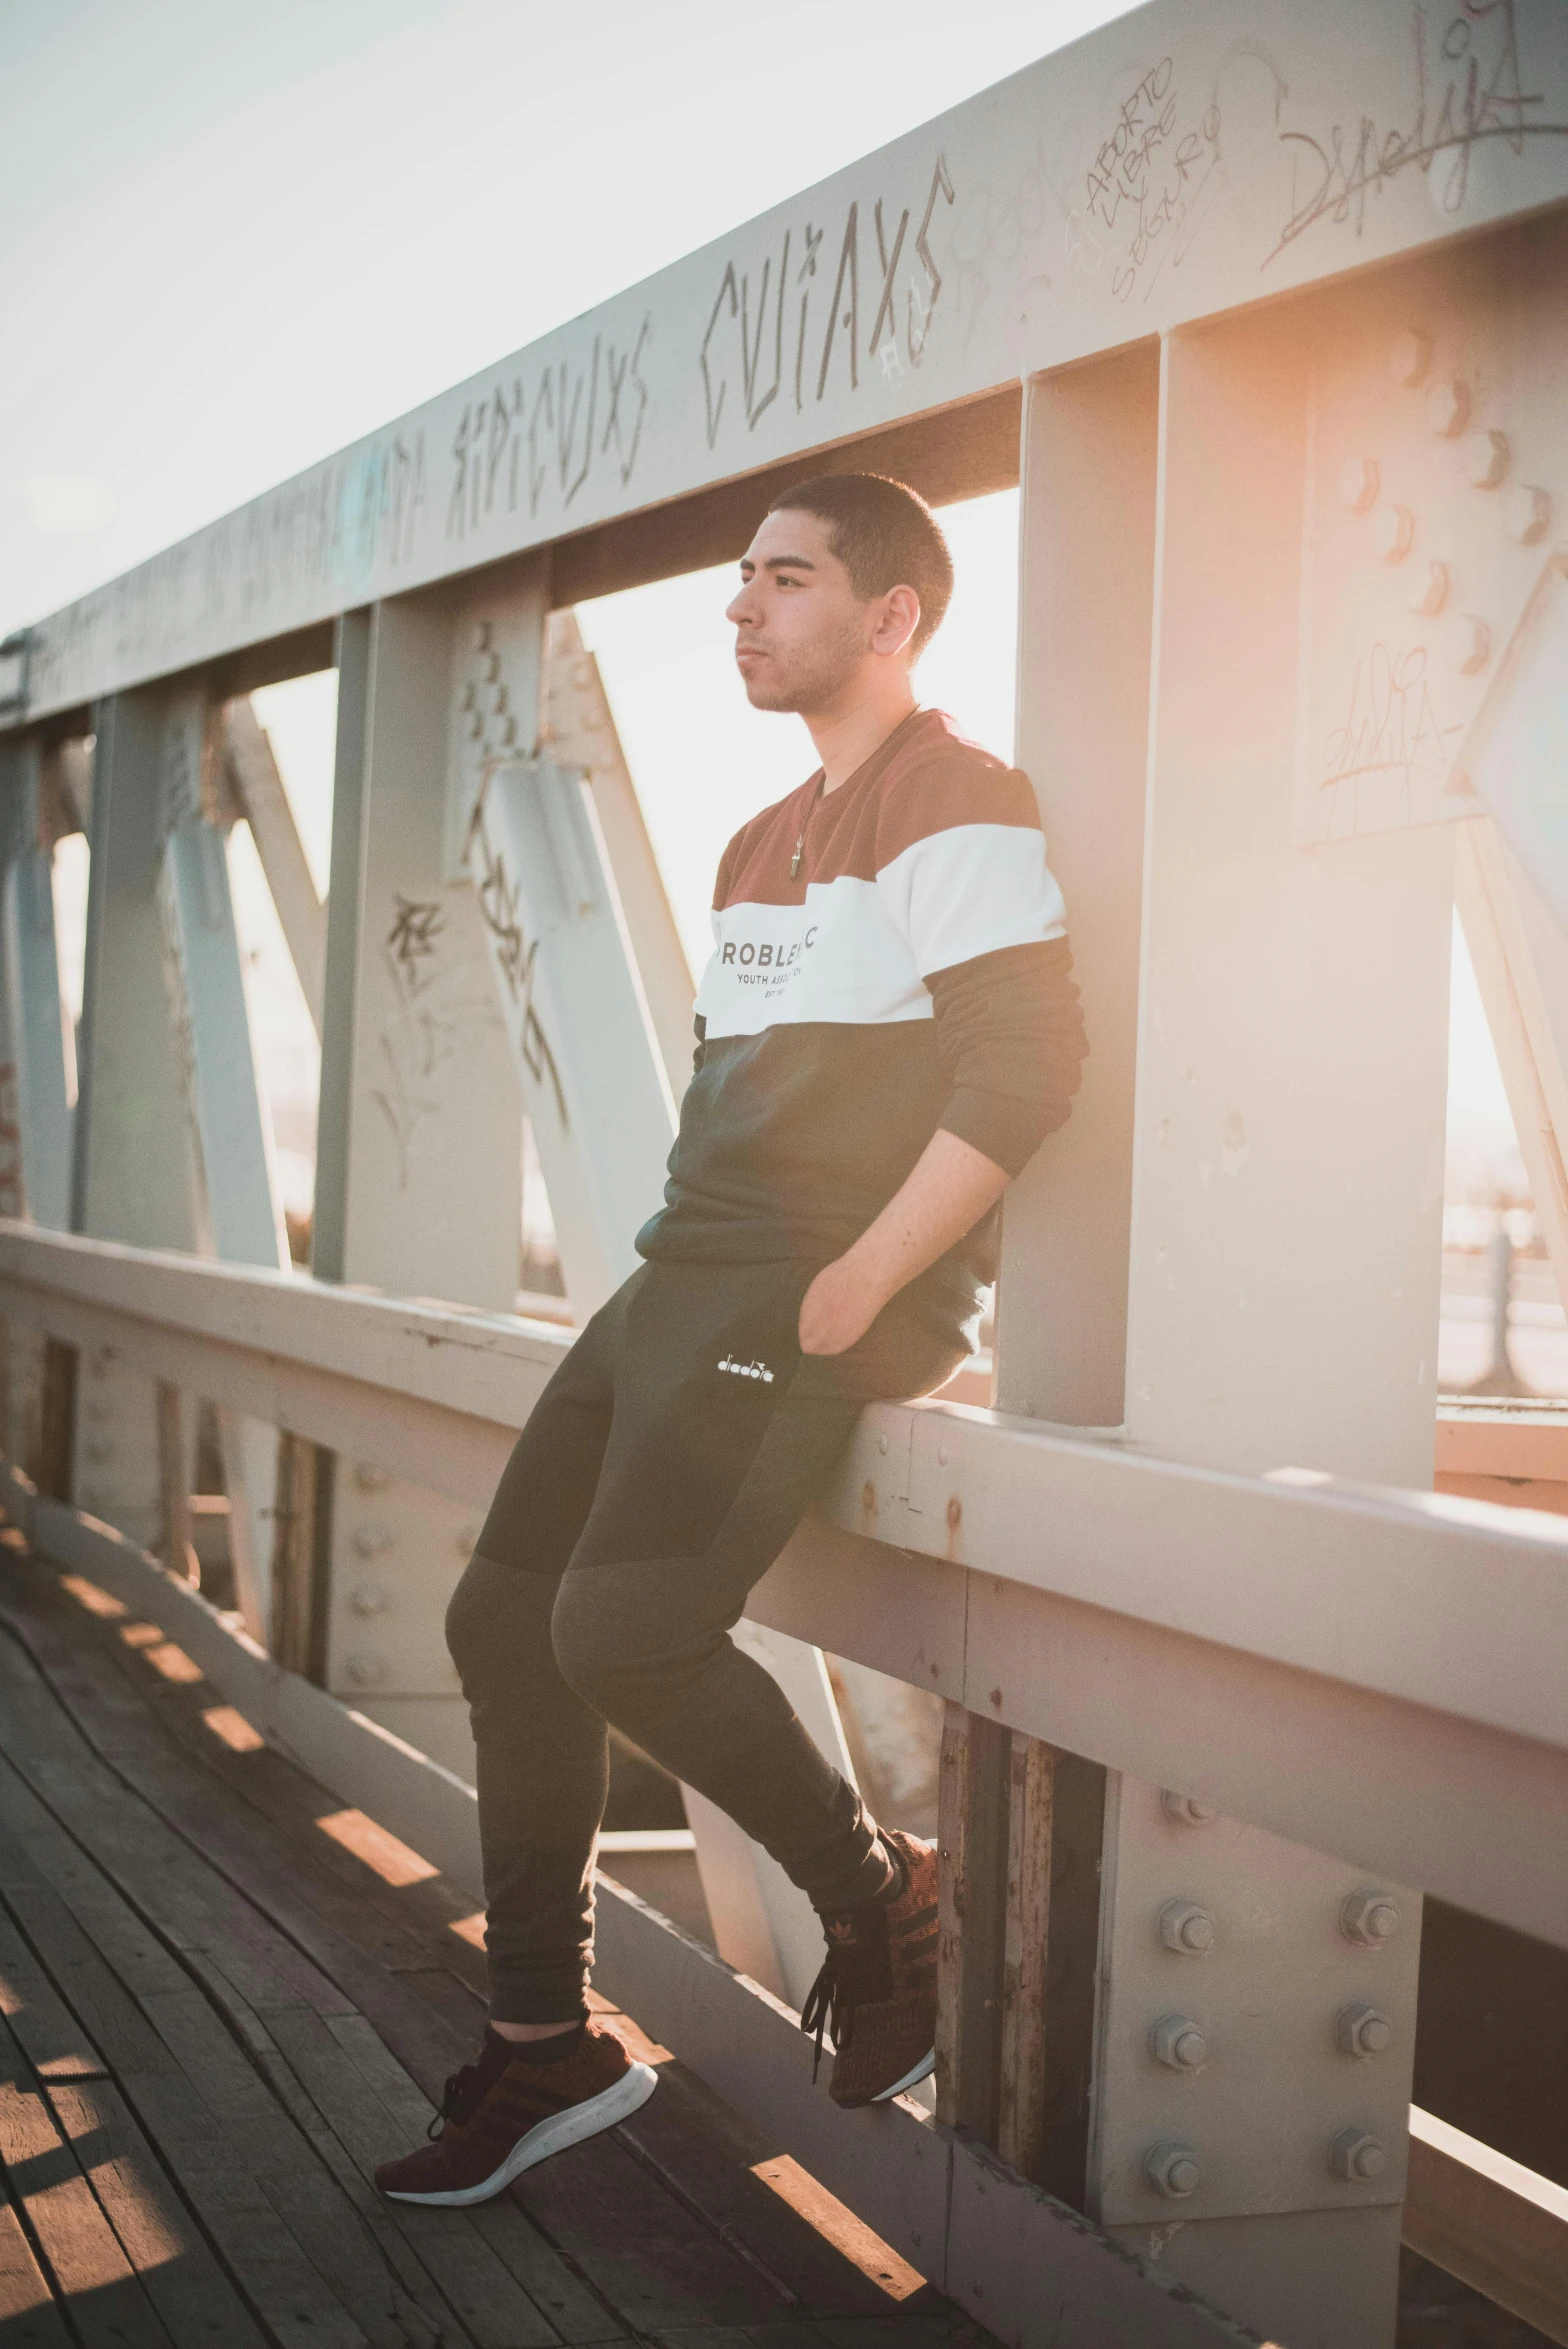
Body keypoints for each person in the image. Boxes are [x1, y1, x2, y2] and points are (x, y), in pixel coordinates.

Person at [375, 473, 1087, 2209]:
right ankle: (546, 2042)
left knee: (622, 1624)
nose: (743, 609)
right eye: (738, 582)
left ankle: (878, 1897)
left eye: (786, 578)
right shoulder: (758, 840)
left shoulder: (960, 806)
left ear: (894, 614)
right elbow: (740, 1099)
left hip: (801, 1300)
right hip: (679, 1280)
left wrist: (864, 1286)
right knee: (502, 1617)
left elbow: (1028, 1067)